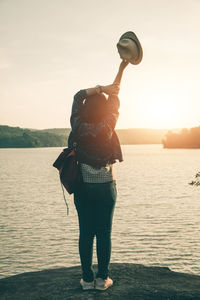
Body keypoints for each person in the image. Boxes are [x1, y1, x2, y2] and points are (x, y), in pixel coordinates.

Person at [68, 60, 129, 290]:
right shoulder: (109, 122)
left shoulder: (77, 124)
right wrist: (121, 69)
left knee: (86, 233)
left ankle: (86, 279)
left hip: (83, 186)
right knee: (104, 233)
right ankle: (103, 279)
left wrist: (98, 89)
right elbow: (116, 94)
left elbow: (77, 96)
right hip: (105, 186)